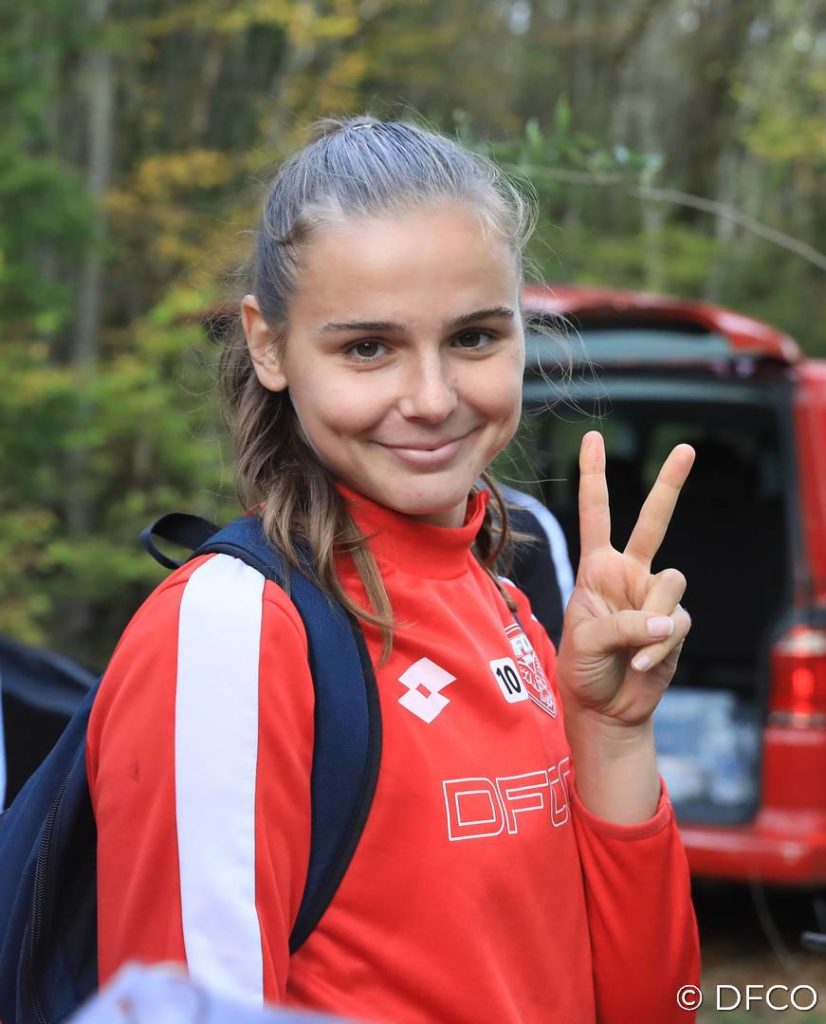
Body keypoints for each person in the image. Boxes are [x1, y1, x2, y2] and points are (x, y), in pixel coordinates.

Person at [86, 116, 700, 1023]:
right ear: (269, 346)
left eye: (476, 338)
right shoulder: (231, 633)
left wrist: (611, 737)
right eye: (367, 347)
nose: (433, 399)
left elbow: (657, 1004)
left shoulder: (515, 605)